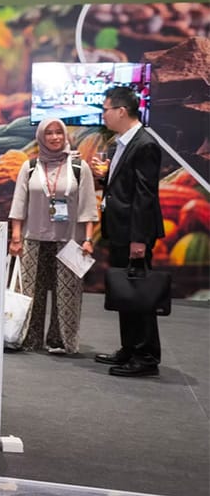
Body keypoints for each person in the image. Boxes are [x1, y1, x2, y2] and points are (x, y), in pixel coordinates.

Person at [91, 85, 164, 378]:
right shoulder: (122, 142)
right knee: (125, 291)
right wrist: (106, 177)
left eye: (106, 110)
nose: (103, 116)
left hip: (134, 233)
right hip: (120, 229)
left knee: (140, 294)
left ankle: (146, 356)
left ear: (121, 111)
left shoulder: (145, 144)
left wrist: (138, 239)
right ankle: (129, 348)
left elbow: (145, 196)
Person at [8, 118, 98, 355]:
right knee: (30, 292)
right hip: (34, 238)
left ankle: (60, 340)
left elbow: (88, 207)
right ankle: (29, 337)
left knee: (67, 294)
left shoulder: (79, 168)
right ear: (41, 137)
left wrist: (88, 239)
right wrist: (16, 237)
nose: (55, 137)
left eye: (60, 132)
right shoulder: (29, 167)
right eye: (49, 133)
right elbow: (19, 205)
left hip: (69, 240)